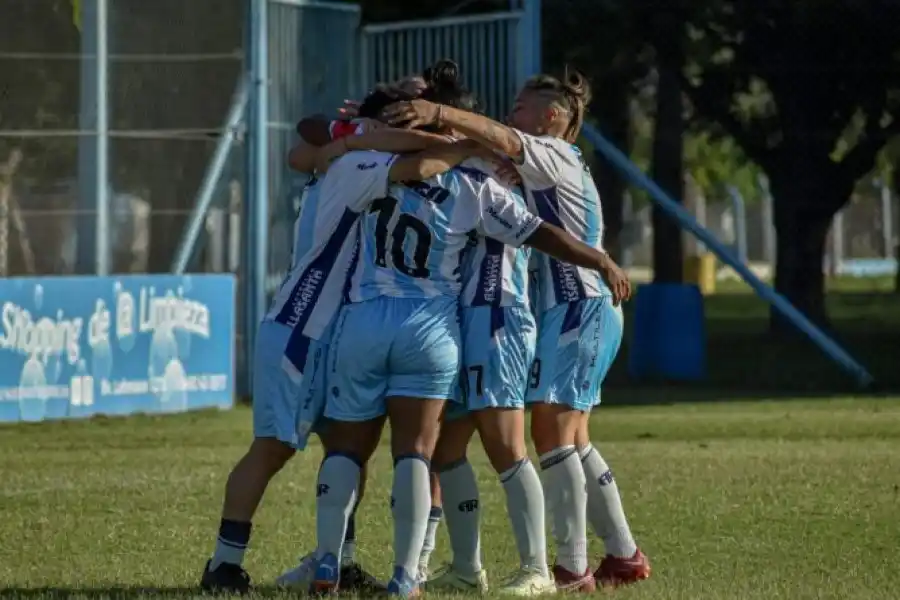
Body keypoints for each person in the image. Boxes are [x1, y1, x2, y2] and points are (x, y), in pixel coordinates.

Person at [309, 64, 635, 599]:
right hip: (452, 322)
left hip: (499, 315)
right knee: (443, 449)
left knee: (517, 442)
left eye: (520, 107)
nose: (505, 119)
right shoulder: (472, 170)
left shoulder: (512, 159)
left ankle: (549, 567)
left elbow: (310, 143)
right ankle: (461, 566)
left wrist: (363, 133)